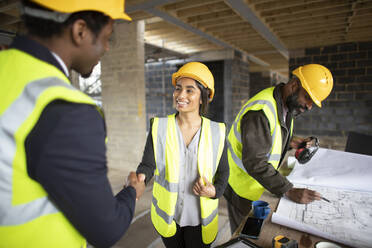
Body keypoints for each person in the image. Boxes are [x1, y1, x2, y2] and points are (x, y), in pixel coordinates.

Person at [0, 1, 145, 247]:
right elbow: (106, 228)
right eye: (107, 37)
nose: (107, 48)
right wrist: (132, 192)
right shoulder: (66, 109)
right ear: (80, 31)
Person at [224, 64, 334, 234]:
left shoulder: (286, 105)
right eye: (308, 98)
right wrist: (288, 190)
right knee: (244, 238)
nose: (309, 106)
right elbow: (255, 162)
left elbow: (270, 136)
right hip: (240, 187)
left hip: (254, 184)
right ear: (294, 85)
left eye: (313, 102)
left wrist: (292, 143)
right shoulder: (261, 111)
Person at [136, 62, 229, 248]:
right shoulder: (159, 127)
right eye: (178, 89)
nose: (181, 95)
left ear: (203, 97)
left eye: (189, 90)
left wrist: (214, 192)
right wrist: (139, 180)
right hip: (169, 218)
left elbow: (223, 172)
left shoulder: (217, 131)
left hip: (200, 219)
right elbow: (147, 165)